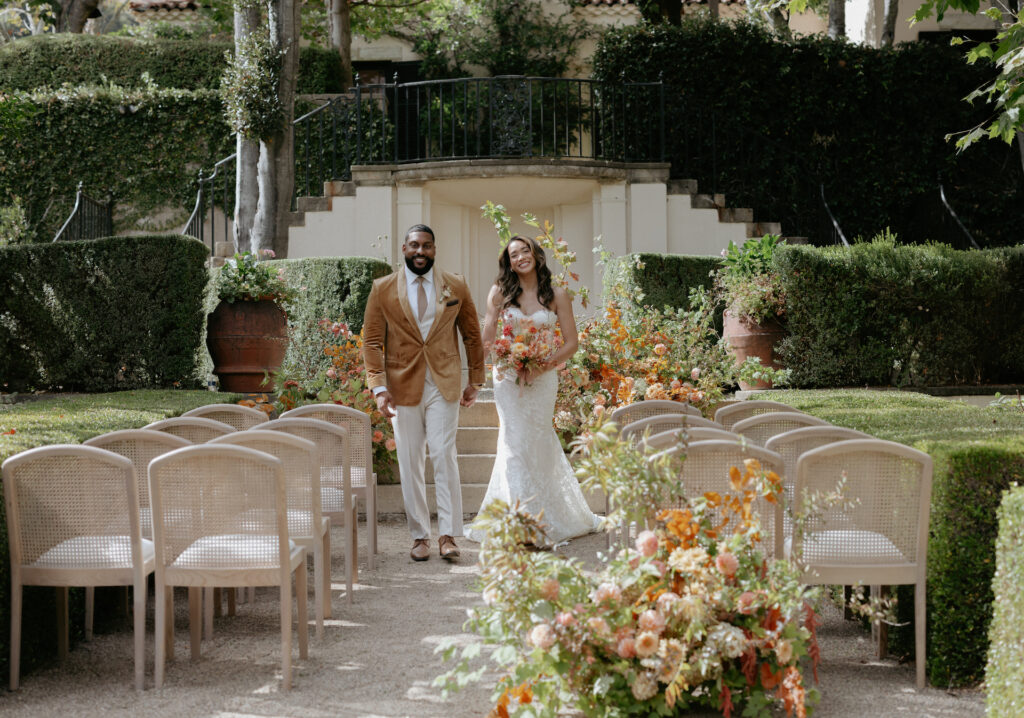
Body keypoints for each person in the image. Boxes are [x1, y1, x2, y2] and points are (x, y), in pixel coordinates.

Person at [466, 235, 601, 546]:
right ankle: (519, 521)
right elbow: (488, 334)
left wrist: (542, 365)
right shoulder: (500, 293)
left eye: (525, 250)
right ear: (509, 263)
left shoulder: (556, 295)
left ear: (536, 255)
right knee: (512, 443)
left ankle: (545, 515)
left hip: (542, 380)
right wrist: (475, 377)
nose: (520, 257)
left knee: (538, 441)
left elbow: (571, 343)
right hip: (508, 379)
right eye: (513, 254)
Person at [362, 224, 486, 562]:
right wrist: (379, 388)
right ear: (403, 248)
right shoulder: (383, 288)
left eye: (427, 246)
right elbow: (372, 342)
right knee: (410, 460)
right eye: (414, 245)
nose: (421, 252)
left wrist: (475, 379)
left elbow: (473, 335)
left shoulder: (455, 284)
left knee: (444, 455)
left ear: (434, 249)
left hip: (443, 382)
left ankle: (447, 534)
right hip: (401, 386)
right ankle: (420, 536)